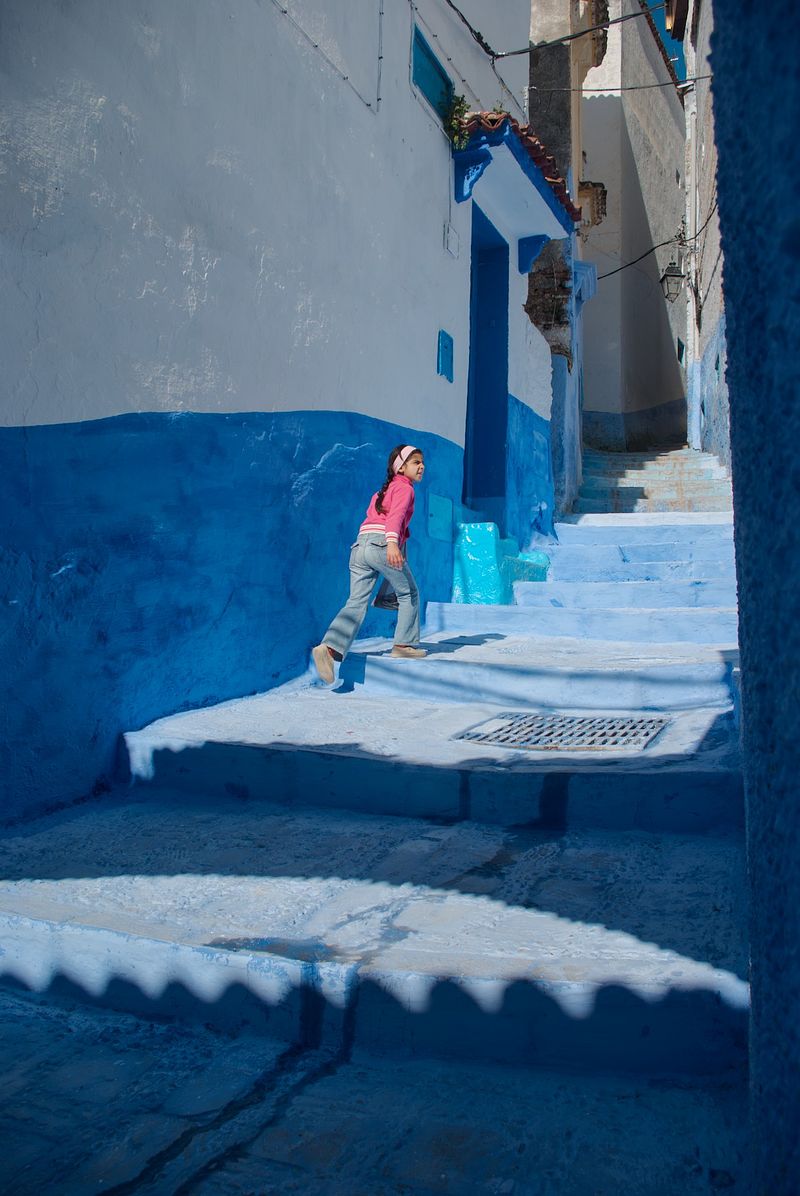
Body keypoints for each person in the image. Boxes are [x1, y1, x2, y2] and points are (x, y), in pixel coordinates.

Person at [311, 444, 428, 684]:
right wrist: (392, 544)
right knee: (409, 593)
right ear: (401, 467)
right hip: (381, 544)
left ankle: (329, 648)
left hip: (359, 547)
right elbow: (395, 517)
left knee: (356, 602)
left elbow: (378, 518)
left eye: (422, 462)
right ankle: (403, 645)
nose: (422, 466)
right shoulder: (405, 488)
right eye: (416, 462)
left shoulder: (380, 492)